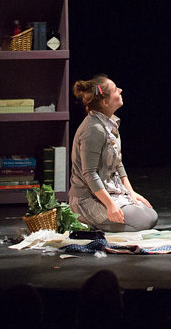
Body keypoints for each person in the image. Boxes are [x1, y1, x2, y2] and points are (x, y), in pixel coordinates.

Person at [68, 75, 158, 232]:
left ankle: (110, 220)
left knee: (150, 215)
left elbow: (118, 163)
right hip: (88, 199)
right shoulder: (94, 129)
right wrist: (110, 205)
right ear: (105, 102)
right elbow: (89, 173)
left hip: (111, 192)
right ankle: (87, 219)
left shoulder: (110, 124)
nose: (120, 90)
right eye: (115, 89)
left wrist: (131, 192)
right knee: (142, 222)